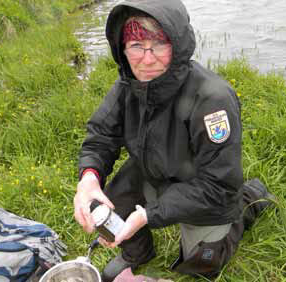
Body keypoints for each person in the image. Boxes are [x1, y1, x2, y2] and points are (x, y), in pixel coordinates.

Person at [74, 0, 274, 281]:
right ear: (122, 49)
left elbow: (217, 185)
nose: (146, 58)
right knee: (111, 202)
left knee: (202, 265)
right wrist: (89, 179)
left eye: (158, 45)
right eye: (135, 46)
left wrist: (149, 215)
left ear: (177, 46)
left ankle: (248, 202)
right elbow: (101, 136)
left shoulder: (212, 99)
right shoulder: (126, 84)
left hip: (205, 190)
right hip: (156, 170)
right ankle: (137, 253)